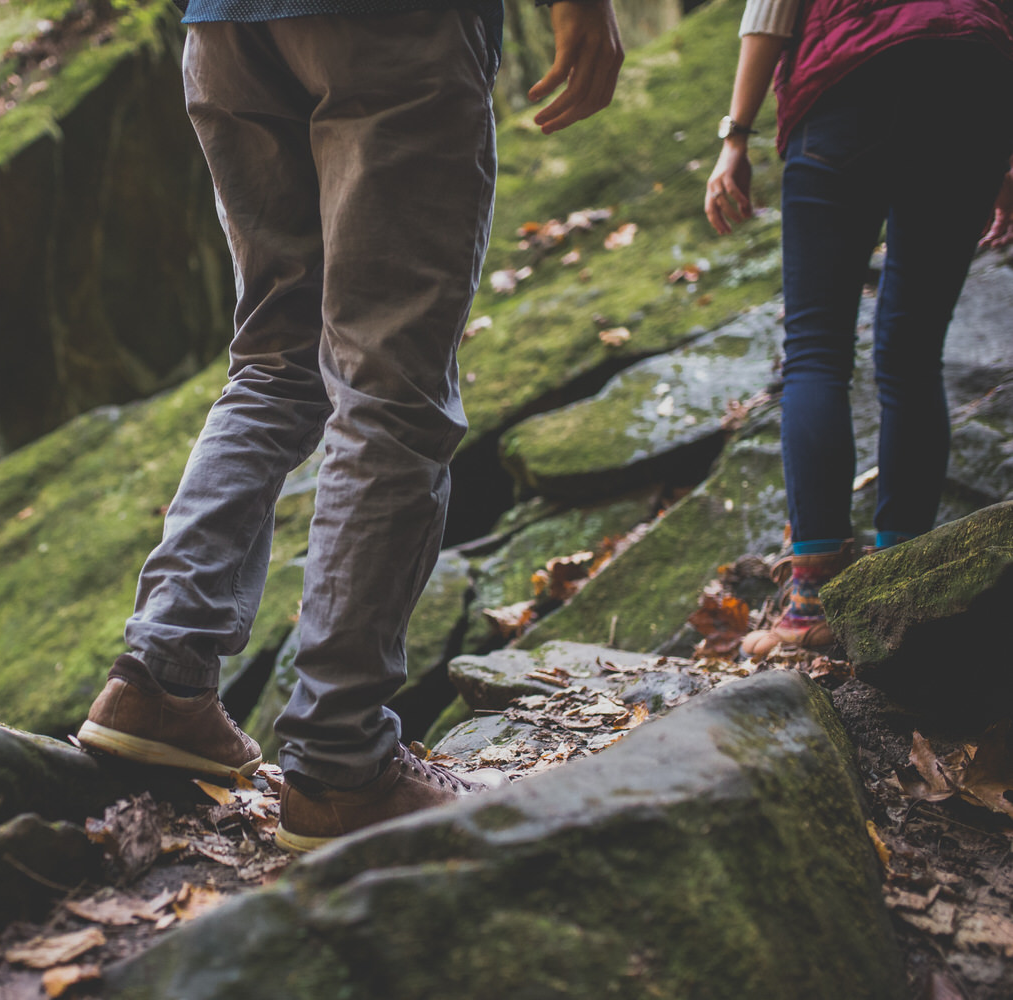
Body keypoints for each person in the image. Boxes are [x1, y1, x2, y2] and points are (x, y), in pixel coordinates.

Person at [76, 0, 624, 851]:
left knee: (275, 362)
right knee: (391, 383)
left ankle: (160, 677)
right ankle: (341, 759)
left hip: (225, 30)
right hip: (390, 27)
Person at [704, 0, 1013, 656]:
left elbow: (772, 8)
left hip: (848, 80)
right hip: (975, 82)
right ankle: (899, 593)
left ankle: (812, 601)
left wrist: (736, 136)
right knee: (914, 350)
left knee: (816, 350)